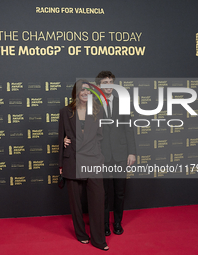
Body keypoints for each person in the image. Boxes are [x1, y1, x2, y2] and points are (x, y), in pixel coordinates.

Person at [58, 79, 109, 251]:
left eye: (89, 91)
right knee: (76, 203)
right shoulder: (65, 111)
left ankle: (99, 240)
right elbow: (61, 138)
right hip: (72, 160)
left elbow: (101, 136)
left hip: (93, 160)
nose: (86, 93)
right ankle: (81, 234)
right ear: (76, 93)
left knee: (97, 199)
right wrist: (60, 164)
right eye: (82, 90)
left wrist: (98, 154)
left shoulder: (97, 110)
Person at [95, 71, 136, 236]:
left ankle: (117, 222)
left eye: (111, 82)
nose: (108, 85)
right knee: (102, 193)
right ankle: (104, 224)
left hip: (120, 154)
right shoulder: (93, 104)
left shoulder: (122, 103)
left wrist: (132, 152)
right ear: (99, 86)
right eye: (105, 82)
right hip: (102, 154)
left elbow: (129, 128)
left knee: (119, 192)